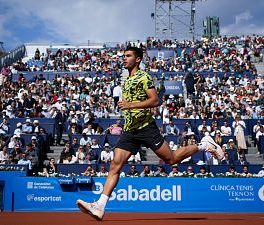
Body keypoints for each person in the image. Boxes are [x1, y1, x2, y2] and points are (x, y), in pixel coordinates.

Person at [76, 47, 223, 221]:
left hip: (146, 128)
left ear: (137, 59)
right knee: (115, 165)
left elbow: (155, 100)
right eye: (124, 56)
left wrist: (131, 105)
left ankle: (204, 145)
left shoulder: (144, 77)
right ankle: (100, 206)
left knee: (172, 159)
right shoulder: (127, 80)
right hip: (130, 130)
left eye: (128, 56)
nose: (124, 58)